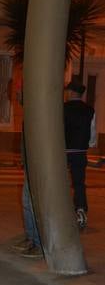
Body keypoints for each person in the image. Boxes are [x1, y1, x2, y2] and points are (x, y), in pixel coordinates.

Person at [63, 78, 96, 230]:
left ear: (70, 92)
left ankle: (60, 211)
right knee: (79, 183)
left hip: (63, 150)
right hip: (80, 151)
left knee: (61, 181)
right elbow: (92, 132)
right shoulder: (89, 110)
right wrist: (89, 145)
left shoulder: (62, 108)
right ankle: (81, 210)